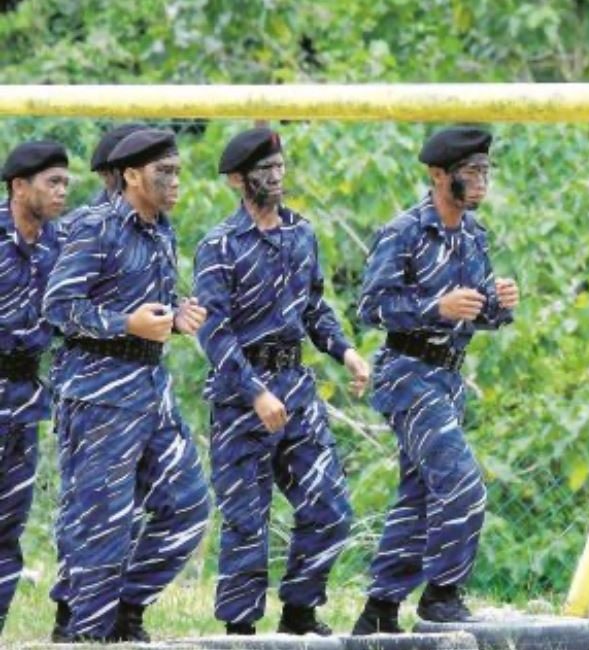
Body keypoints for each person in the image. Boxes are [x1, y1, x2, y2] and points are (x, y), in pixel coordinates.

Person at [196, 126, 368, 636]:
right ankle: (241, 631)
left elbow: (314, 306)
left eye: (279, 168)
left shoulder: (302, 234)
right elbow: (214, 330)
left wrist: (347, 352)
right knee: (247, 524)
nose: (275, 178)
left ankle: (300, 612)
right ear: (236, 180)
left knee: (330, 507)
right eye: (263, 171)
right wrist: (254, 392)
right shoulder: (220, 245)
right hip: (241, 395)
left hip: (295, 386)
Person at [44, 128, 211, 642]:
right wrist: (125, 324)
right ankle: (86, 629)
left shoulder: (162, 229)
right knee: (101, 521)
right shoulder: (94, 227)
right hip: (99, 393)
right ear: (132, 175)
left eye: (179, 170)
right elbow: (59, 307)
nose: (176, 180)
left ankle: (125, 607)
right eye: (165, 171)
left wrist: (176, 315)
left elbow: (148, 300)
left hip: (150, 387)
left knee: (187, 504)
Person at [351, 126, 518, 635]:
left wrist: (498, 305)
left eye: (486, 171)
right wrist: (434, 308)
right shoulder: (403, 231)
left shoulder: (474, 235)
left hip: (447, 379)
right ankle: (442, 596)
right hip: (406, 374)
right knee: (461, 484)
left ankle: (379, 611)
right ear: (439, 175)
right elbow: (370, 307)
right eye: (472, 172)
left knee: (420, 494)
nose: (482, 181)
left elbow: (477, 315)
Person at [0, 140, 69, 636]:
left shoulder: (58, 245)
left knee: (8, 523)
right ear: (19, 186)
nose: (62, 192)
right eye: (53, 182)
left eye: (66, 182)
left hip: (24, 395)